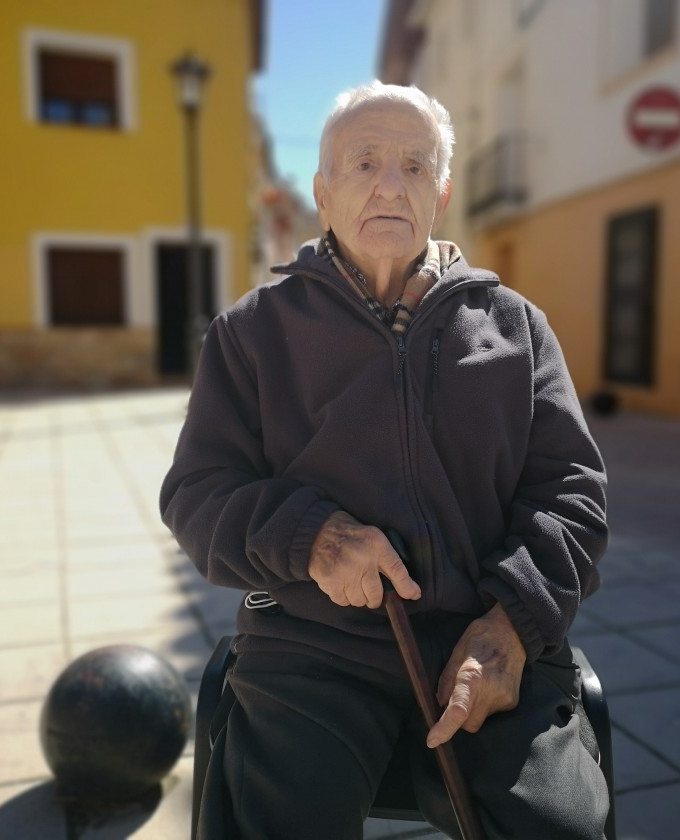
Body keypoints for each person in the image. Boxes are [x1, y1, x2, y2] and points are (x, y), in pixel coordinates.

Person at [160, 81, 609, 839]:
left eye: (414, 165)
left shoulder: (516, 328)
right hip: (311, 648)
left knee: (557, 827)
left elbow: (573, 494)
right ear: (323, 191)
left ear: (441, 191)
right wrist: (312, 539)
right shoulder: (251, 334)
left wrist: (509, 626)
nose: (389, 185)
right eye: (364, 163)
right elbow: (198, 494)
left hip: (486, 641)